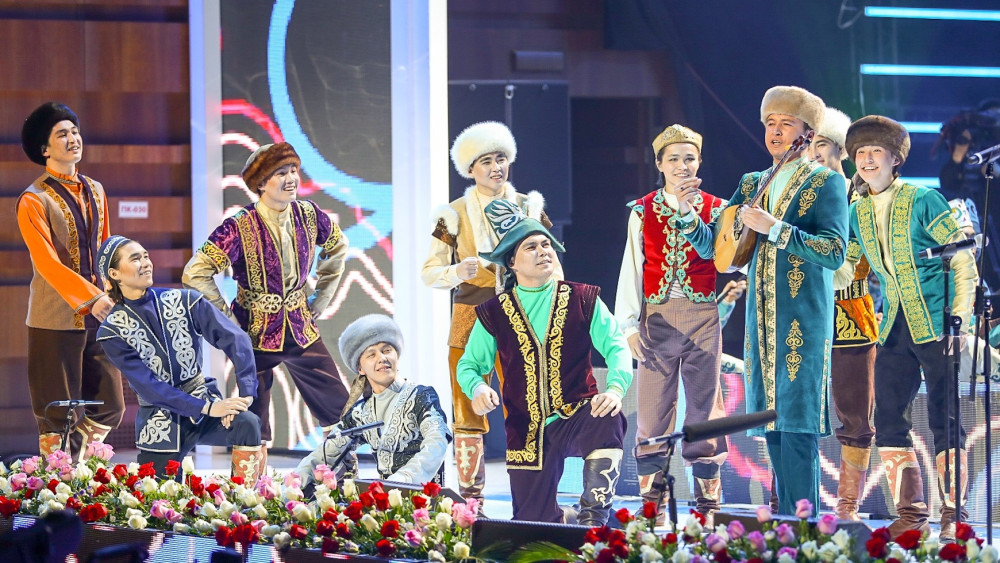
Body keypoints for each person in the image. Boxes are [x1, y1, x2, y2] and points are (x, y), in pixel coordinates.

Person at [676, 86, 847, 515]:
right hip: (761, 322)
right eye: (770, 123)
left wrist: (776, 228)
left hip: (803, 320)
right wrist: (688, 212)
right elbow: (717, 249)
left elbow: (834, 251)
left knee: (798, 426)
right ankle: (787, 526)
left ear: (808, 134)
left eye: (786, 123)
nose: (775, 131)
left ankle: (805, 525)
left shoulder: (826, 182)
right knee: (771, 425)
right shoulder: (753, 182)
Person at [837, 116, 978, 539]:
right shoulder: (858, 210)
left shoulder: (923, 199)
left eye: (875, 152)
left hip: (936, 322)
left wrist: (960, 318)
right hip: (894, 326)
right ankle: (912, 513)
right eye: (860, 153)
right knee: (888, 417)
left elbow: (962, 257)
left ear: (894, 159)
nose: (866, 160)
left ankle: (954, 514)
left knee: (944, 418)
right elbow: (849, 268)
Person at [456, 199, 632, 526]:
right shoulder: (494, 312)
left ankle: (592, 521)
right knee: (532, 526)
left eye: (546, 244)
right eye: (531, 247)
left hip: (577, 413)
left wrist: (615, 389)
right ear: (512, 262)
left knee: (608, 417)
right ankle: (564, 521)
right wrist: (477, 387)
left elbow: (616, 345)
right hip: (526, 428)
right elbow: (468, 365)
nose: (543, 251)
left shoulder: (582, 298)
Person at [421, 121, 560, 505]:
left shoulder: (528, 207)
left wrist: (559, 305)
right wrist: (456, 271)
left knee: (528, 403)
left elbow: (552, 263)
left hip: (521, 311)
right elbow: (429, 272)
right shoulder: (451, 214)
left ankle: (533, 496)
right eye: (486, 161)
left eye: (501, 158)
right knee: (467, 406)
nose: (496, 167)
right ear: (470, 169)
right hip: (471, 312)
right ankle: (472, 502)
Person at [182, 142, 351, 457]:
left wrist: (321, 298)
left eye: (293, 170)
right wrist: (227, 322)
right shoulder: (238, 226)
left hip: (300, 326)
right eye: (281, 173)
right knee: (252, 413)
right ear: (261, 183)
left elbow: (338, 245)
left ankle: (340, 474)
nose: (291, 179)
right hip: (253, 333)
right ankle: (249, 484)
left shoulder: (308, 214)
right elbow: (195, 273)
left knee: (337, 403)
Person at [614, 124, 728, 522]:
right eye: (674, 159)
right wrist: (629, 325)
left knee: (705, 411)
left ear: (700, 162)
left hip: (702, 317)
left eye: (689, 158)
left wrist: (689, 210)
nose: (682, 166)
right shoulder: (642, 210)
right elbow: (632, 267)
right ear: (659, 164)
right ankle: (653, 506)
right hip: (657, 318)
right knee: (652, 412)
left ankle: (707, 507)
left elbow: (725, 260)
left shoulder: (717, 208)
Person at [95, 236, 263, 480]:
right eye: (135, 259)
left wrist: (245, 395)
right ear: (114, 274)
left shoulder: (184, 300)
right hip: (160, 419)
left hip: (202, 399)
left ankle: (244, 499)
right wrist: (209, 408)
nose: (146, 263)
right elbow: (150, 387)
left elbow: (236, 339)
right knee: (159, 499)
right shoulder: (112, 331)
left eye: (146, 256)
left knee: (247, 422)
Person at [16, 102, 125, 460]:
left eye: (75, 131)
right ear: (45, 148)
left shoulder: (96, 189)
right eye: (62, 134)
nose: (73, 138)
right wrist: (92, 298)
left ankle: (71, 466)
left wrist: (114, 293)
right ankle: (55, 484)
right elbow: (46, 262)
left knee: (110, 406)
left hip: (99, 315)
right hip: (54, 319)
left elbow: (105, 248)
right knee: (56, 413)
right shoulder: (33, 199)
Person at [807, 107, 879, 521]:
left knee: (855, 415)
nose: (814, 154)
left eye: (822, 145)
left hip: (851, 313)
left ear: (840, 150)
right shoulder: (802, 194)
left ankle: (847, 505)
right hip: (807, 316)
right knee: (798, 409)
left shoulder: (862, 198)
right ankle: (793, 500)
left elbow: (851, 265)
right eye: (810, 146)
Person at [295, 314, 451, 487]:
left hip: (423, 495)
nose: (382, 358)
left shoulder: (421, 396)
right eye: (371, 354)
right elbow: (325, 454)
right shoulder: (361, 413)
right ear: (360, 369)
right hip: (385, 499)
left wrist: (400, 482)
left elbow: (437, 443)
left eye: (387, 350)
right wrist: (293, 485)